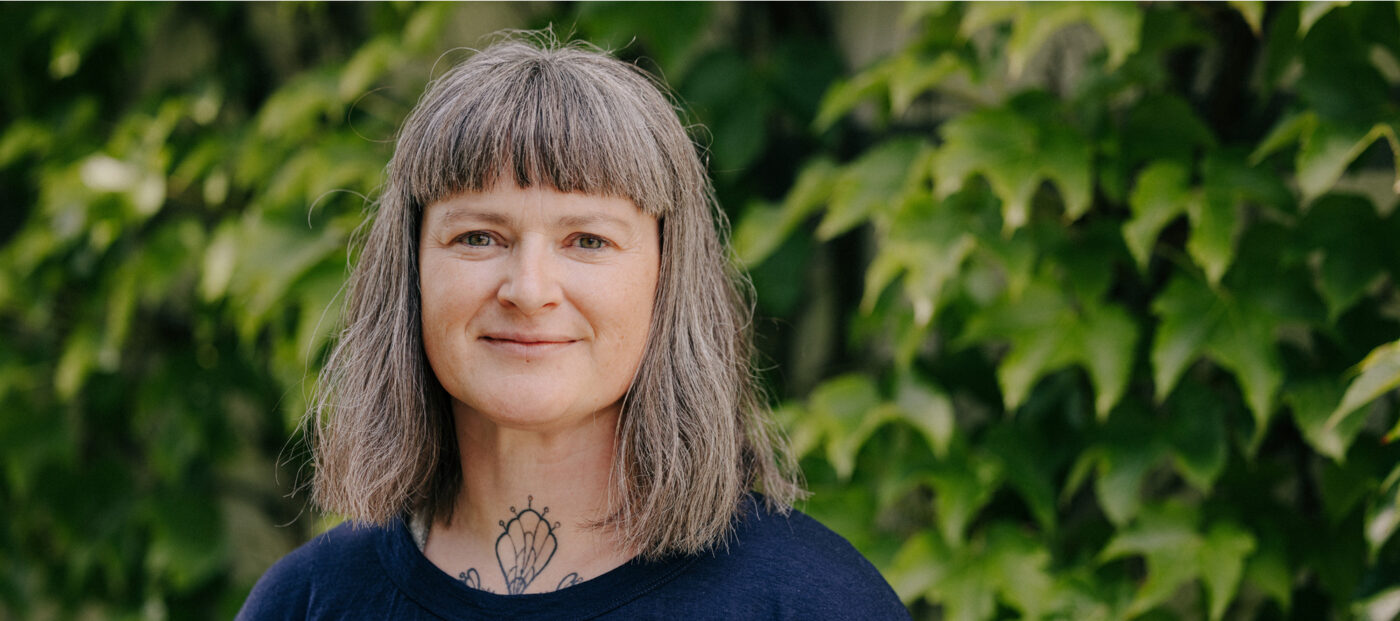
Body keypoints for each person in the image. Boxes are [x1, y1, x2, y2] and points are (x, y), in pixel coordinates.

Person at [238, 32, 909, 620]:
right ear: (411, 273)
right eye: (478, 236)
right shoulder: (309, 601)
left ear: (666, 279)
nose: (529, 290)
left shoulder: (809, 601)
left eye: (587, 240)